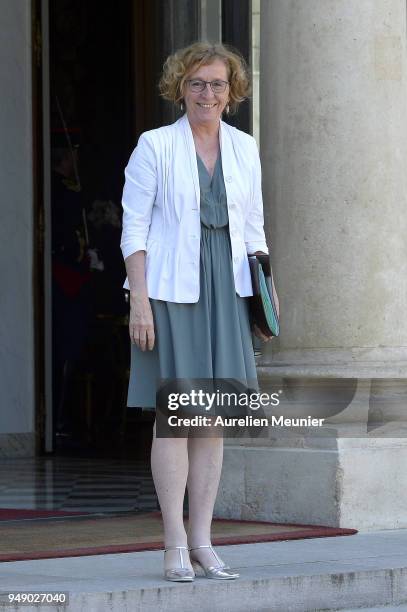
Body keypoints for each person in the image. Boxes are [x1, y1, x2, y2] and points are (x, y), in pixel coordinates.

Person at [120, 42, 279, 582]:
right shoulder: (153, 145)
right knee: (176, 420)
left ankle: (203, 542)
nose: (206, 94)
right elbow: (134, 229)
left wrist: (266, 292)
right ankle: (171, 545)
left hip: (227, 290)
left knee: (213, 422)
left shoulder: (243, 147)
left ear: (231, 93)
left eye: (216, 84)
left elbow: (254, 226)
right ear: (179, 89)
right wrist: (138, 300)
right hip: (170, 292)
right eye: (195, 83)